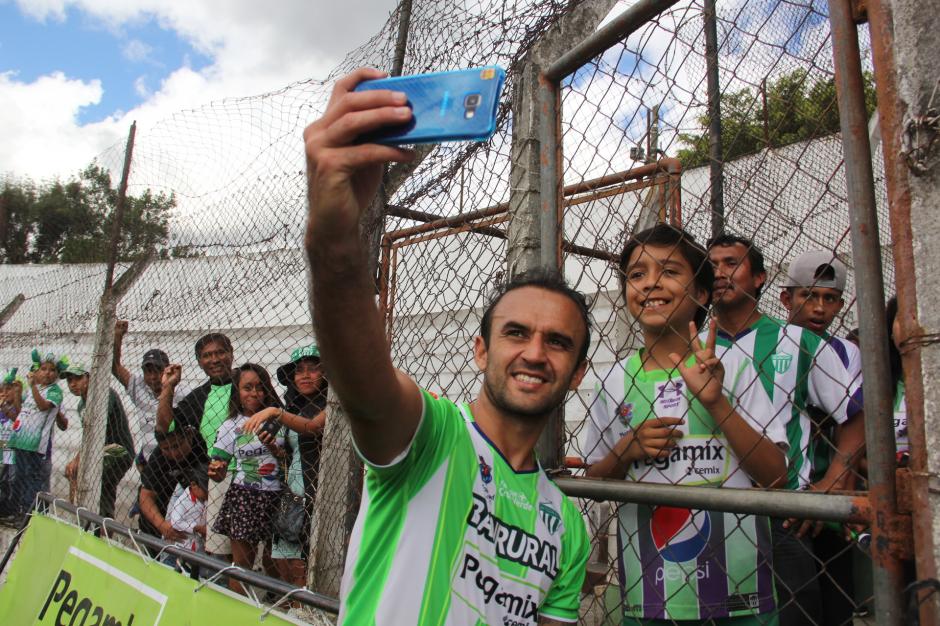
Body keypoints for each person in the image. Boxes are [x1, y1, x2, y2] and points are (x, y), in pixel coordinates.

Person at [303, 67, 590, 625]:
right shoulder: (430, 435)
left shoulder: (568, 527)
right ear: (480, 351)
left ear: (577, 373)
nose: (534, 352)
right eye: (515, 332)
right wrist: (332, 236)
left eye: (557, 342)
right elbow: (362, 383)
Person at [585, 224, 786, 625]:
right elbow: (594, 477)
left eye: (670, 271)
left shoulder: (736, 367)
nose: (650, 284)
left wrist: (716, 403)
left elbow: (776, 477)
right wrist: (626, 451)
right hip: (649, 596)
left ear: (701, 292)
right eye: (637, 274)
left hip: (739, 593)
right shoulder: (611, 382)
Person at [707, 236, 865, 626]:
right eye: (710, 266)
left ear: (760, 278)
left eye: (731, 263)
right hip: (709, 511)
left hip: (781, 517)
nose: (719, 273)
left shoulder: (801, 343)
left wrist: (834, 479)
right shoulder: (692, 346)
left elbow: (857, 413)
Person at [244, 344, 327, 601]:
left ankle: (306, 614)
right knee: (285, 566)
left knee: (305, 574)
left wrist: (275, 412)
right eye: (298, 370)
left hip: (319, 496)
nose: (304, 375)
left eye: (312, 369)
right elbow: (291, 455)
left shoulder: (333, 403)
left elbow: (312, 428)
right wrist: (274, 447)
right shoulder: (297, 407)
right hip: (292, 497)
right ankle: (294, 611)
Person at [208, 363, 285, 596]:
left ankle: (278, 608)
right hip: (245, 498)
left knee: (278, 565)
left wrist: (277, 451)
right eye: (247, 387)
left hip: (279, 498)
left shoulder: (279, 419)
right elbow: (218, 464)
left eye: (260, 387)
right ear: (237, 392)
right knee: (242, 568)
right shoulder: (231, 426)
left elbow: (291, 458)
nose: (254, 393)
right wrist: (217, 470)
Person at [156, 332, 233, 559]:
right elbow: (165, 426)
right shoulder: (199, 396)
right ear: (199, 362)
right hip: (207, 481)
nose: (215, 359)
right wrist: (168, 388)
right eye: (207, 355)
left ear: (231, 354)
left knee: (233, 553)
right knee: (197, 548)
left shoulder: (246, 384)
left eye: (220, 352)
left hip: (243, 479)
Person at [60, 363, 135, 519]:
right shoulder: (81, 405)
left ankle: (81, 516)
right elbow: (88, 437)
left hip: (119, 450)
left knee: (88, 477)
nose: (73, 384)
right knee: (102, 491)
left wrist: (78, 460)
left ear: (89, 377)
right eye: (69, 380)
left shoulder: (104, 395)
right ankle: (100, 523)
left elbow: (95, 432)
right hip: (99, 452)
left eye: (78, 378)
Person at [111, 320, 190, 468]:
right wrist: (117, 337)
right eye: (148, 371)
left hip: (177, 464)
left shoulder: (182, 393)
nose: (153, 377)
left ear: (167, 370)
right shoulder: (139, 387)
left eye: (157, 370)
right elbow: (115, 366)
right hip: (150, 465)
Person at [4, 350, 68, 524]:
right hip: (21, 441)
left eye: (52, 370)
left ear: (57, 374)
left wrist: (32, 386)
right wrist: (18, 394)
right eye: (43, 369)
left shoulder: (54, 392)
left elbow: (42, 407)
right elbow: (22, 411)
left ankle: (28, 515)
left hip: (35, 445)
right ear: (37, 371)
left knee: (32, 479)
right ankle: (16, 512)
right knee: (19, 478)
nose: (47, 372)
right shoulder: (37, 389)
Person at [138, 425, 206, 543]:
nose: (174, 453)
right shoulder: (158, 457)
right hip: (159, 520)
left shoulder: (202, 446)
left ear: (189, 436)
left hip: (194, 522)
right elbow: (145, 496)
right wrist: (162, 525)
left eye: (177, 445)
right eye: (166, 449)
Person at [162, 464, 209, 571]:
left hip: (197, 550)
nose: (208, 494)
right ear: (193, 485)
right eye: (206, 491)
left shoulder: (205, 500)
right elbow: (175, 521)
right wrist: (196, 528)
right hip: (180, 549)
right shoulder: (183, 501)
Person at [0, 369, 23, 514]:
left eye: (9, 389)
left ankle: (14, 508)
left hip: (14, 449)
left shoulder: (18, 408)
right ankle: (5, 507)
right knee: (4, 478)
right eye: (3, 390)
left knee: (13, 479)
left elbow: (18, 420)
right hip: (3, 448)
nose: (5, 393)